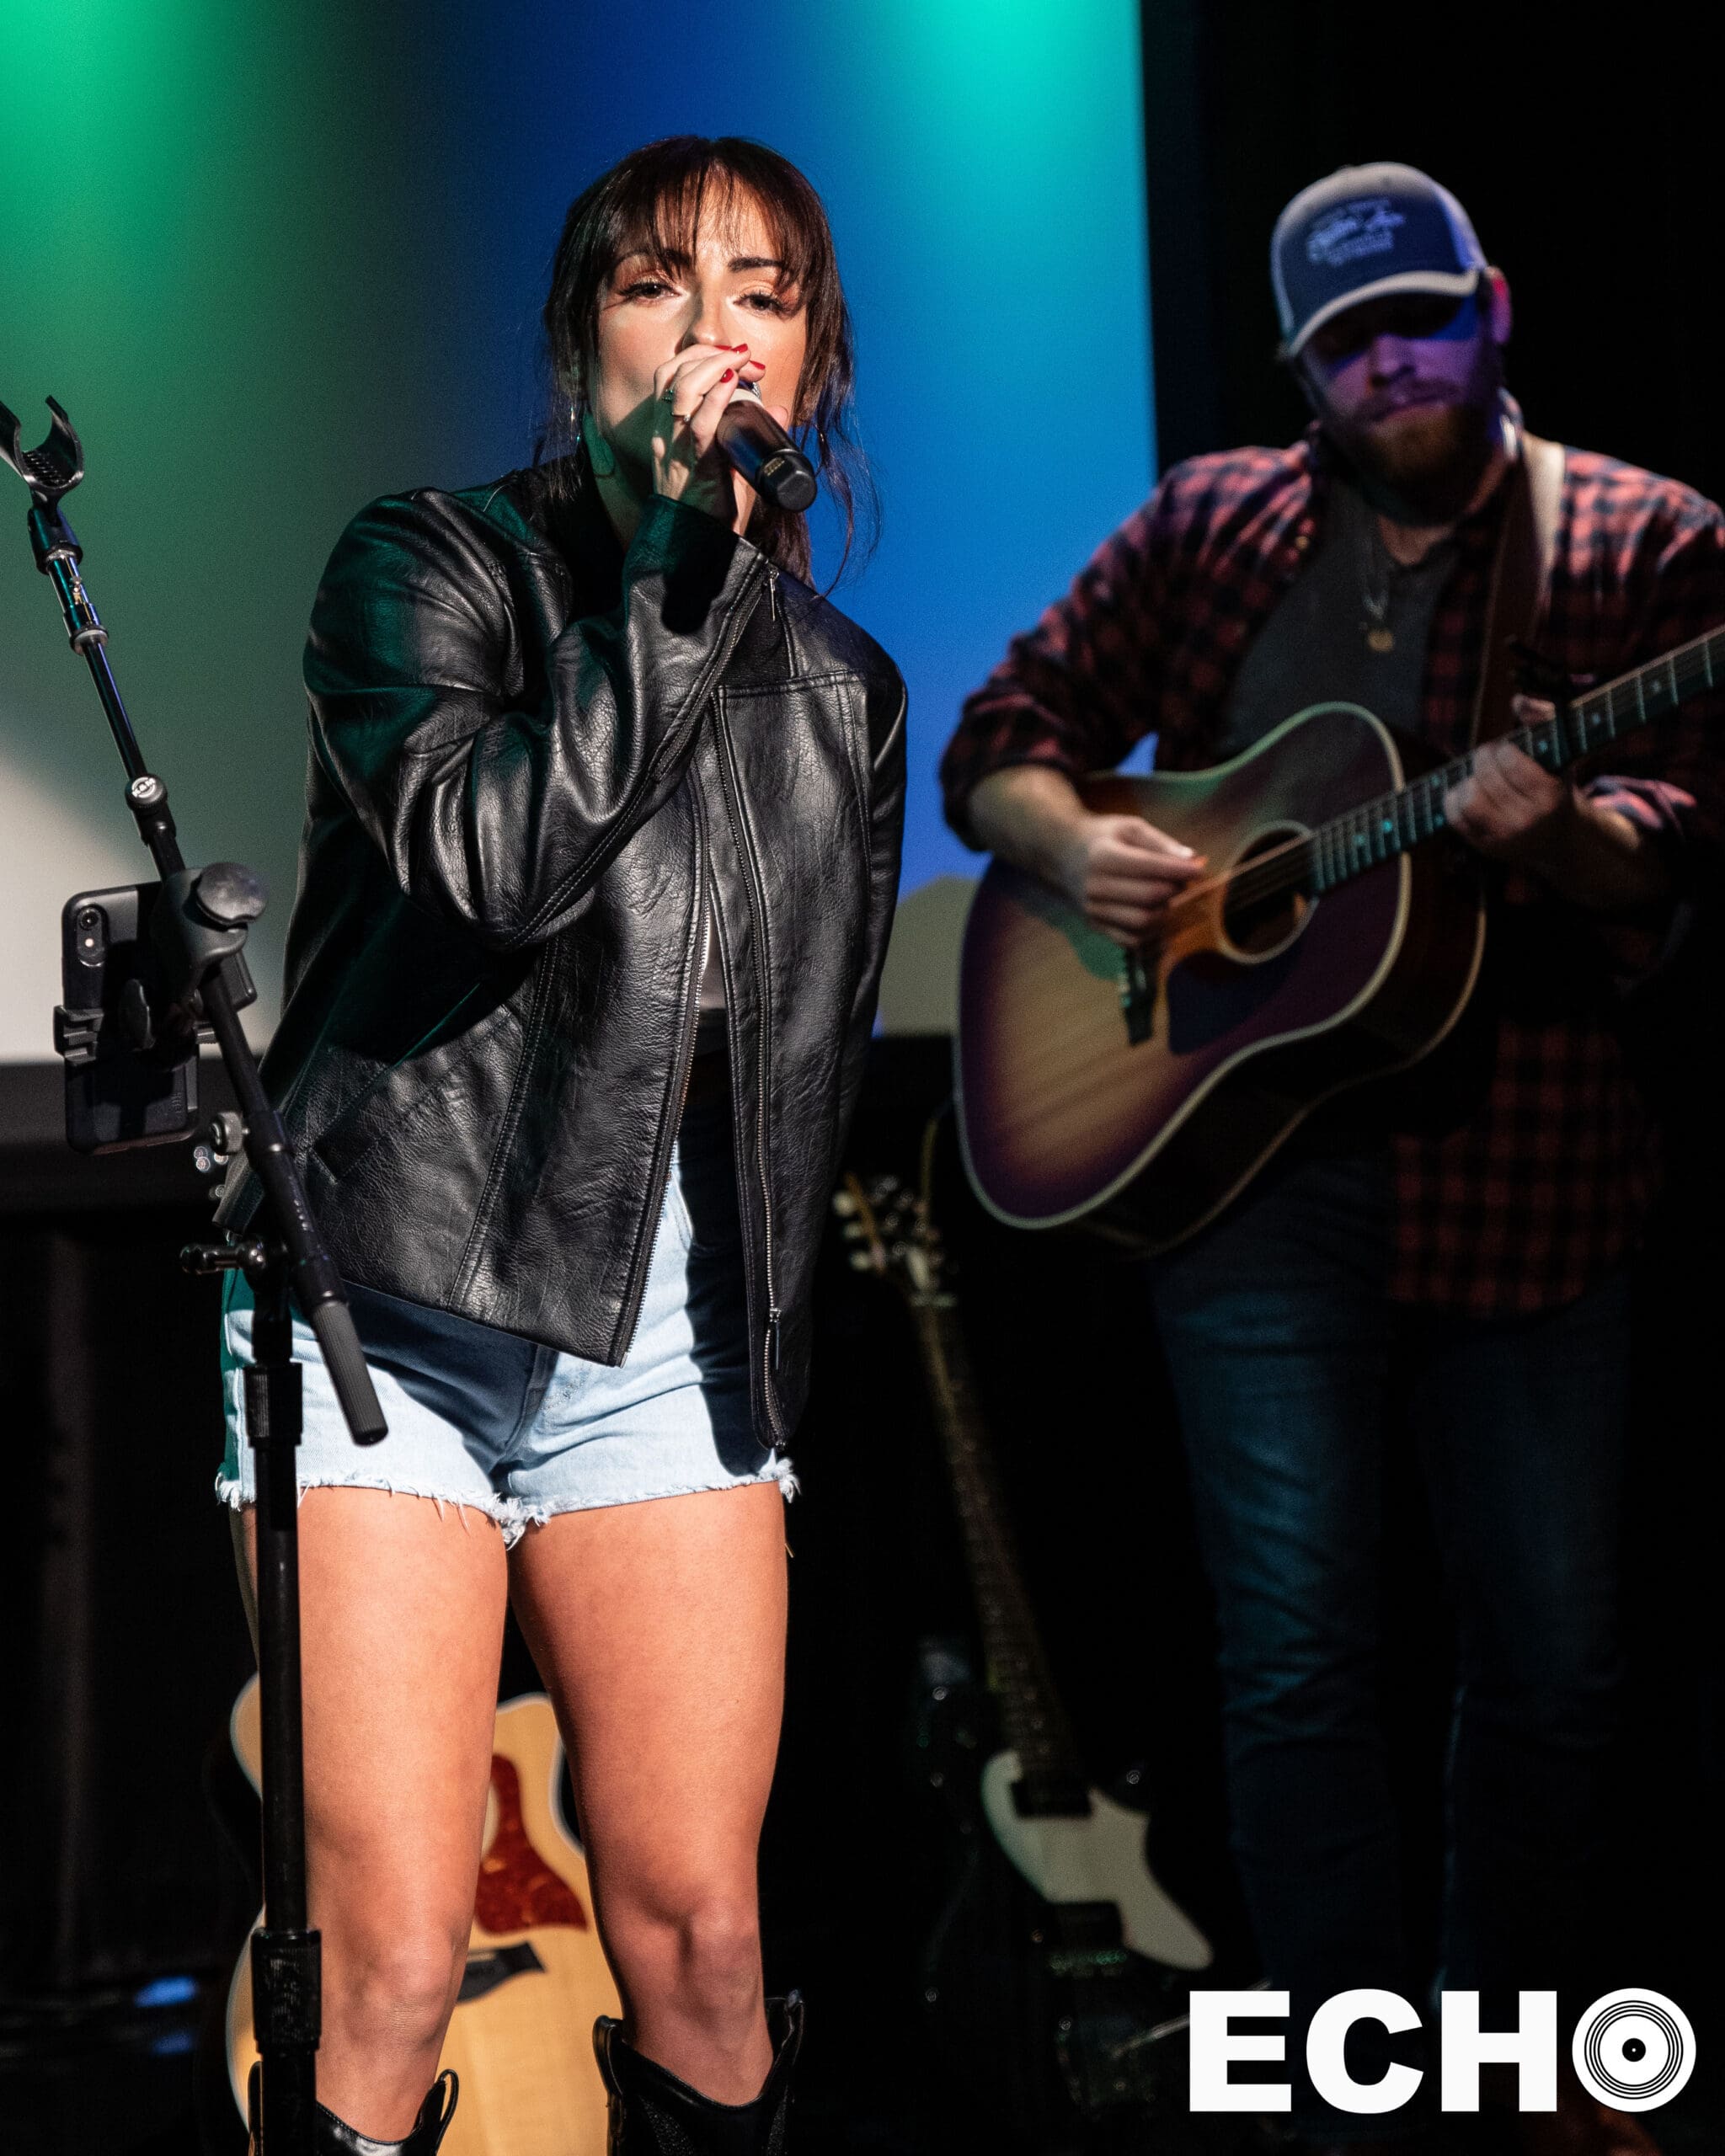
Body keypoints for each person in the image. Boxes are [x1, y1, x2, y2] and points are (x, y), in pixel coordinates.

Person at [940, 163, 1723, 2154]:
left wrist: (1562, 837)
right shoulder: (1218, 520)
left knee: (1553, 1663)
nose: (1391, 367)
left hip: (1530, 1165)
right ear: (1302, 370)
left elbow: (1677, 855)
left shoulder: (1641, 541)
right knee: (1296, 1667)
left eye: (1419, 322)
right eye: (1346, 344)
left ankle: (1509, 2067)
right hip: (1246, 1173)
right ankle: (1350, 2108)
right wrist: (1069, 845)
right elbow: (1001, 734)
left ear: (1493, 305)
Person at [213, 136, 905, 2155]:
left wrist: (761, 1370)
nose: (713, 330)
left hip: (662, 1335)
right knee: (393, 1951)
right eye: (656, 283)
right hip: (386, 1303)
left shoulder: (846, 695)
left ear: (813, 361)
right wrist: (673, 576)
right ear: (576, 337)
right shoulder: (425, 567)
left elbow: (805, 1076)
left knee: (702, 1933)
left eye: (763, 293)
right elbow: (498, 861)